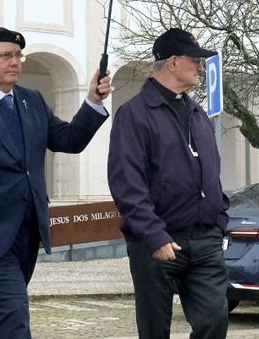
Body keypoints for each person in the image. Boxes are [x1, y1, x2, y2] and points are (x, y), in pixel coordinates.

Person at [0, 26, 111, 339]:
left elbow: (69, 140)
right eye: (6, 55)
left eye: (19, 55)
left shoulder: (31, 100)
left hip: (28, 230)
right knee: (13, 314)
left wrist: (92, 102)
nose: (15, 62)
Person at [107, 28, 231, 339]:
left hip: (204, 240)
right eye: (195, 60)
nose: (200, 67)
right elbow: (126, 182)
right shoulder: (134, 114)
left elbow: (211, 172)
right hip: (156, 243)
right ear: (173, 62)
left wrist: (219, 222)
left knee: (214, 323)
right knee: (155, 331)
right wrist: (154, 235)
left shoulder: (197, 112)